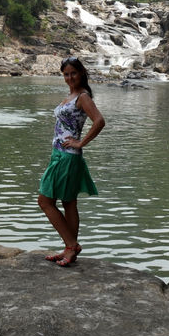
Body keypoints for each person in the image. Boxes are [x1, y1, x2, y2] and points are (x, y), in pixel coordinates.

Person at [38, 56, 105, 267]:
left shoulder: (83, 96)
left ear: (82, 73)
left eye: (73, 73)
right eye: (66, 74)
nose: (69, 77)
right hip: (59, 154)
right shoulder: (71, 95)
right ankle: (70, 249)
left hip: (68, 156)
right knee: (68, 202)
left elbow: (99, 121)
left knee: (45, 201)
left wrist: (80, 142)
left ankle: (71, 246)